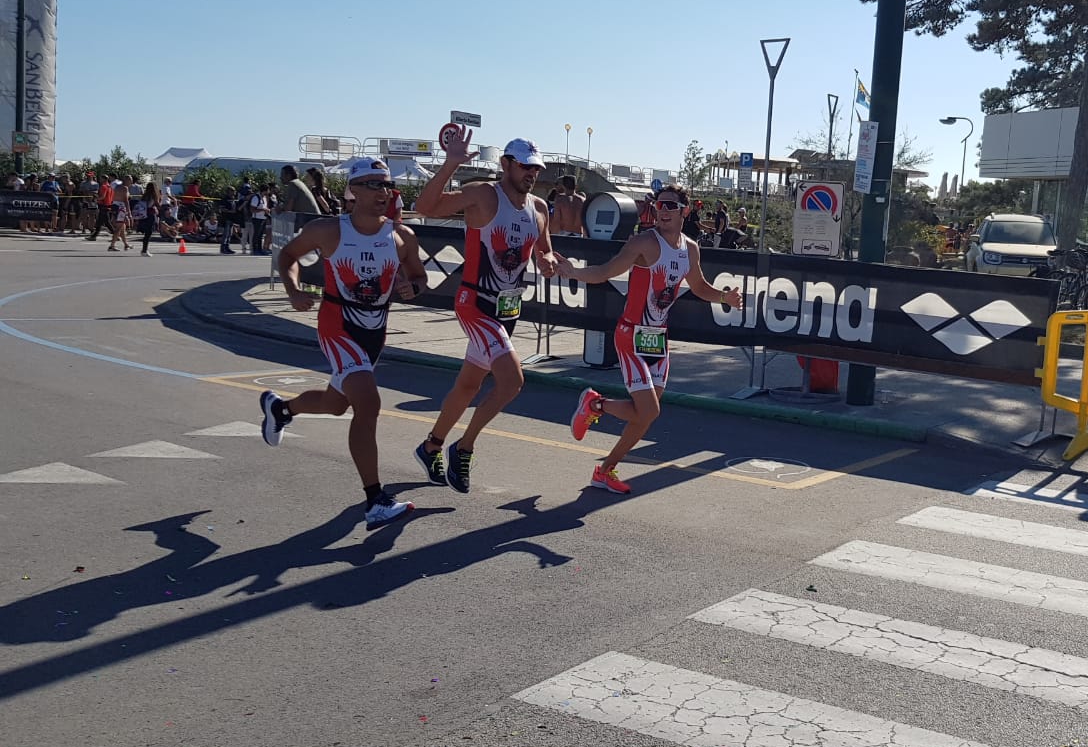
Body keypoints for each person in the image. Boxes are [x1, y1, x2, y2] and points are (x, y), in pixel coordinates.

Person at [259, 157, 429, 529]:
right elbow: (287, 255)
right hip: (338, 324)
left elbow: (420, 278)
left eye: (386, 185)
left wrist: (411, 287)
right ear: (352, 190)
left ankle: (281, 409)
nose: (382, 192)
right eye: (372, 184)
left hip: (375, 330)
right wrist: (293, 289)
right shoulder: (328, 231)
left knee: (337, 404)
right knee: (368, 403)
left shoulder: (402, 236)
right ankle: (375, 500)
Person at [559, 183, 743, 494]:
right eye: (660, 204)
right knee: (650, 410)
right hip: (631, 335)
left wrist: (724, 297)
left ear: (685, 211)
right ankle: (595, 407)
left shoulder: (690, 249)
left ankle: (603, 463)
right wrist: (573, 272)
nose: (664, 210)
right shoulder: (644, 243)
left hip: (658, 340)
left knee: (644, 416)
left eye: (671, 205)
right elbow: (606, 271)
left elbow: (699, 287)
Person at [410, 134, 558, 493]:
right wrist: (451, 164)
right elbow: (425, 207)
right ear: (506, 164)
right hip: (475, 303)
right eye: (525, 166)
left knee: (469, 385)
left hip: (508, 308)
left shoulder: (538, 208)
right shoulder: (483, 194)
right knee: (512, 381)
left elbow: (545, 250)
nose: (531, 174)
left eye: (536, 168)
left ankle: (431, 446)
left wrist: (548, 260)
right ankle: (464, 447)